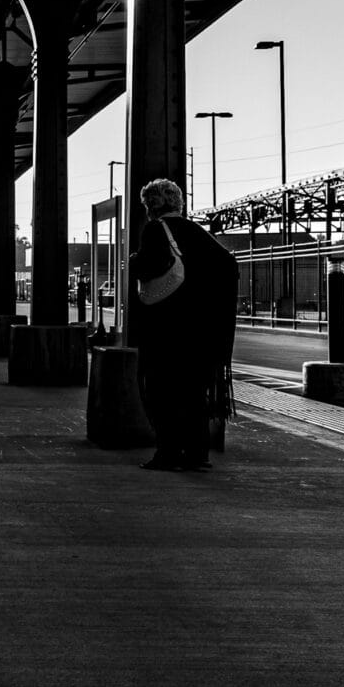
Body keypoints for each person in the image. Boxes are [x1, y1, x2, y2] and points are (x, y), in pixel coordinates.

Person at [130, 177, 239, 472]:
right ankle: (196, 455)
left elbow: (149, 267)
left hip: (168, 330)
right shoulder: (197, 232)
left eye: (147, 203)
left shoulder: (156, 229)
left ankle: (168, 454)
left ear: (153, 205)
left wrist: (135, 261)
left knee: (162, 391)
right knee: (194, 394)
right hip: (201, 332)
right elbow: (228, 265)